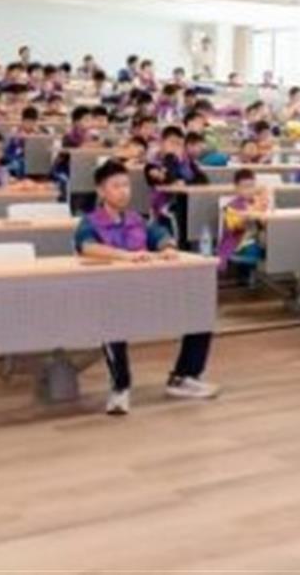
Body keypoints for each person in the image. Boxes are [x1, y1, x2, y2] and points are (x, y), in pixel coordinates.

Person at [75, 160, 219, 414]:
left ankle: (183, 377)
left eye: (126, 185)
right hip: (109, 295)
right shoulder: (90, 222)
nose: (123, 191)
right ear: (101, 191)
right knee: (111, 320)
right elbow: (87, 247)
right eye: (116, 186)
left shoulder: (137, 219)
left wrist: (168, 248)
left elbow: (160, 235)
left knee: (200, 310)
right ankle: (120, 388)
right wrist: (126, 256)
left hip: (146, 291)